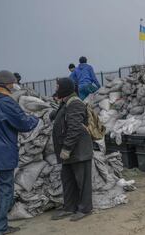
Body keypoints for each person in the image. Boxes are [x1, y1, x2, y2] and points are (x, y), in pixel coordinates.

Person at [0, 70, 39, 234]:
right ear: (6, 84)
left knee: (3, 187)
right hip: (4, 151)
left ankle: (1, 224)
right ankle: (1, 228)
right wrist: (35, 118)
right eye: (12, 83)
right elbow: (24, 124)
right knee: (6, 189)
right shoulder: (5, 102)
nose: (13, 86)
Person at [50, 78, 93, 222]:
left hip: (78, 151)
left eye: (58, 87)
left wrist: (67, 148)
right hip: (68, 152)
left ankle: (85, 209)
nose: (56, 89)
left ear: (65, 88)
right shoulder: (66, 102)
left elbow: (74, 128)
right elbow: (60, 118)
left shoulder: (75, 103)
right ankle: (69, 208)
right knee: (68, 181)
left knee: (82, 182)